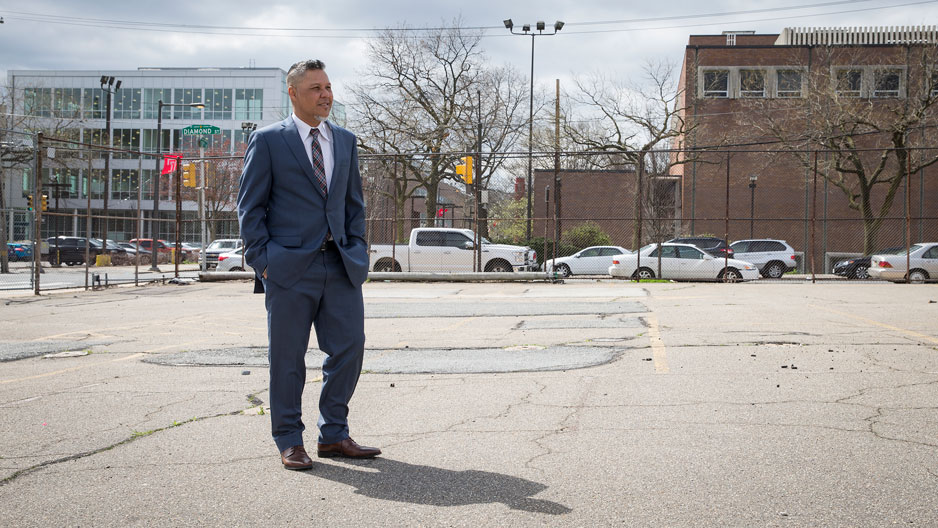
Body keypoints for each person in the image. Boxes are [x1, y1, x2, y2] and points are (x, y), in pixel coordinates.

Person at [237, 59, 380, 470]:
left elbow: (354, 204)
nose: (325, 95)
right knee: (287, 358)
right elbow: (250, 207)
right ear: (293, 93)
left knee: (349, 349)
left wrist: (357, 249)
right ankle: (289, 439)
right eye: (316, 88)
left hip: (340, 264)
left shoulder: (345, 140)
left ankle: (333, 434)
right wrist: (263, 262)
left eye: (328, 87)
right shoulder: (268, 141)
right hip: (288, 268)